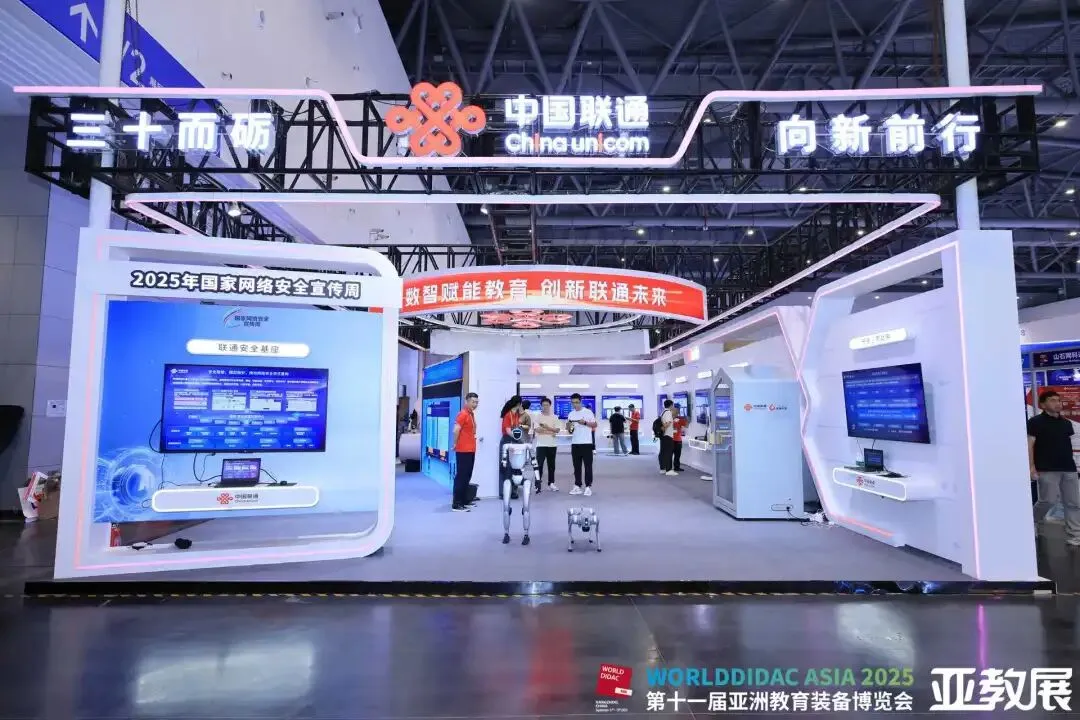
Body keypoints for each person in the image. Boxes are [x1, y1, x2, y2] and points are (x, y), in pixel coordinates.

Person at [1028, 390, 1080, 546]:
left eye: (1058, 400)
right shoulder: (1035, 422)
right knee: (1048, 501)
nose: (1057, 403)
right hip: (1046, 468)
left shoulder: (1066, 423)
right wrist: (1031, 466)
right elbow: (1030, 445)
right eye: (1052, 400)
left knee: (1073, 503)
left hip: (1068, 467)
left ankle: (1075, 534)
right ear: (1043, 404)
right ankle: (1032, 522)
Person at [451, 392, 479, 512]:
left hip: (471, 449)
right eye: (473, 402)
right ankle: (457, 504)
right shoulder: (463, 414)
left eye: (476, 402)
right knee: (461, 476)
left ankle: (464, 500)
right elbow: (455, 430)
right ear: (467, 401)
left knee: (467, 475)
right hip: (463, 450)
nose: (475, 404)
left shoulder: (471, 414)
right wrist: (455, 443)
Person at [566, 393, 598, 495]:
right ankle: (577, 485)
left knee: (588, 466)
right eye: (573, 403)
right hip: (575, 443)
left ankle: (588, 486)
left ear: (581, 402)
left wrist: (585, 423)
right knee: (576, 466)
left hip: (586, 443)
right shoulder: (571, 414)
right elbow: (570, 431)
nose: (575, 405)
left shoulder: (588, 412)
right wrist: (568, 427)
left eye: (577, 402)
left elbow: (595, 424)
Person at [534, 397, 561, 493]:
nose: (545, 407)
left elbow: (557, 430)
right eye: (543, 405)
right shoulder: (537, 417)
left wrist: (546, 427)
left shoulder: (555, 417)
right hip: (541, 445)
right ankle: (537, 484)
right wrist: (551, 431)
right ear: (541, 406)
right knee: (539, 465)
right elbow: (538, 430)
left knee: (551, 465)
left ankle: (551, 483)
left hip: (552, 445)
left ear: (550, 406)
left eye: (547, 405)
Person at [498, 396, 523, 499]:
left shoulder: (516, 414)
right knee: (506, 467)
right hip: (507, 441)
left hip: (514, 441)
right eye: (521, 404)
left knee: (515, 467)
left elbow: (516, 428)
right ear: (518, 404)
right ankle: (504, 492)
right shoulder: (508, 415)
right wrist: (517, 438)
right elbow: (508, 431)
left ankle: (513, 491)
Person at [659, 399, 676, 476]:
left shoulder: (663, 412)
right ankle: (669, 470)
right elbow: (668, 423)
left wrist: (661, 431)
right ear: (671, 405)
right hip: (668, 435)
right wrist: (663, 429)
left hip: (663, 436)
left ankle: (662, 469)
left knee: (663, 452)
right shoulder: (668, 412)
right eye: (673, 405)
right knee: (668, 452)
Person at [672, 404, 688, 472]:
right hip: (671, 439)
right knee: (669, 454)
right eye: (676, 409)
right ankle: (668, 467)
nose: (678, 411)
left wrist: (686, 419)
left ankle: (676, 467)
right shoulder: (669, 417)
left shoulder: (680, 418)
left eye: (678, 409)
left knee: (677, 455)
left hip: (678, 439)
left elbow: (686, 425)